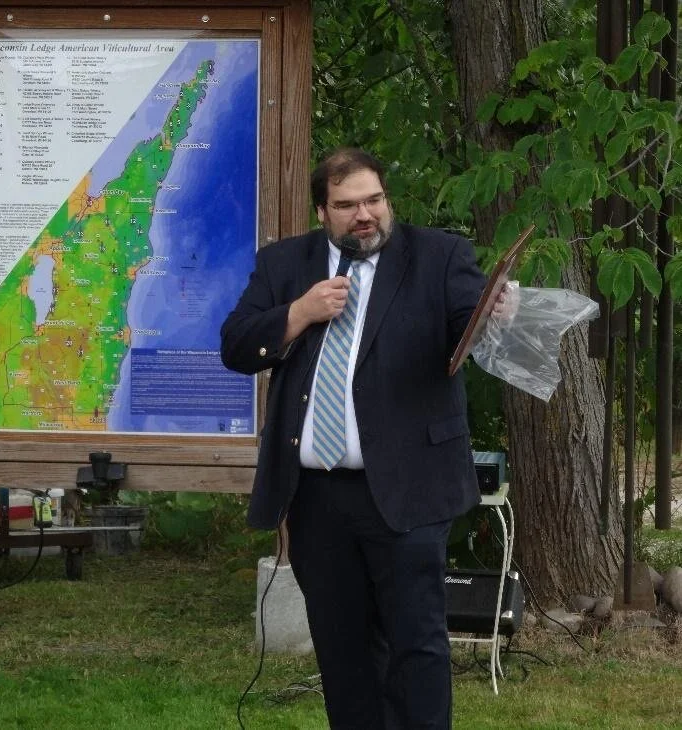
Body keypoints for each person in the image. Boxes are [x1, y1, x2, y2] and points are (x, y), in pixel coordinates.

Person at [221, 148, 487, 729]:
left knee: (416, 647)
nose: (363, 215)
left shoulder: (438, 257)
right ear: (323, 210)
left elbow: (475, 324)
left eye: (373, 200)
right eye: (347, 205)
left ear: (387, 199)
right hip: (316, 499)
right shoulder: (285, 265)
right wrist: (297, 313)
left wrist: (498, 317)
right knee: (342, 652)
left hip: (409, 489)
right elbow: (236, 345)